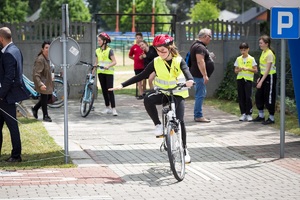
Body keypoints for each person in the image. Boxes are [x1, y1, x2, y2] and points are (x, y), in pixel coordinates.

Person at [109, 34, 194, 163]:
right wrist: (122, 85)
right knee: (147, 99)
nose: (161, 53)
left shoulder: (178, 60)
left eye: (163, 50)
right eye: (158, 51)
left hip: (178, 94)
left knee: (180, 121)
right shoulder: (156, 61)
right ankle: (158, 125)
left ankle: (184, 149)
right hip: (163, 93)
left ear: (170, 48)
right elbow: (142, 75)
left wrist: (190, 80)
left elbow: (186, 71)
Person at [0, 27, 29, 162]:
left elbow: (9, 78)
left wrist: (1, 95)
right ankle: (14, 154)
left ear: (1, 39)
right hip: (9, 96)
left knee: (12, 126)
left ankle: (16, 155)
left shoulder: (8, 54)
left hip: (6, 97)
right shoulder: (16, 50)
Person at [189, 28, 215, 123]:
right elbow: (200, 61)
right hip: (199, 75)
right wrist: (204, 75)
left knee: (200, 94)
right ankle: (198, 116)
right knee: (200, 95)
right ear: (205, 36)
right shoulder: (200, 47)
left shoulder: (197, 45)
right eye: (210, 36)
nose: (211, 38)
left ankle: (198, 114)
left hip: (197, 74)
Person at [252, 35, 277, 125]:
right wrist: (260, 77)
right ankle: (261, 115)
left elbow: (268, 69)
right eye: (259, 43)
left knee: (269, 97)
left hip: (270, 77)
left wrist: (261, 81)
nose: (260, 44)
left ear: (266, 44)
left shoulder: (269, 53)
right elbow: (263, 68)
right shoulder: (264, 52)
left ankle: (271, 118)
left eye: (261, 43)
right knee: (259, 95)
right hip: (264, 76)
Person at [95, 32, 118, 116]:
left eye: (100, 40)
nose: (98, 42)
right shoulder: (97, 50)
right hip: (100, 73)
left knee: (110, 90)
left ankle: (114, 109)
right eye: (98, 40)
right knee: (104, 91)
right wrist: (93, 69)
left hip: (109, 73)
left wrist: (108, 65)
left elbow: (114, 62)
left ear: (104, 41)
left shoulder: (109, 50)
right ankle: (107, 107)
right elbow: (96, 62)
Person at [234, 42, 258, 122]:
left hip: (248, 80)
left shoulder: (251, 59)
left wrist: (248, 69)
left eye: (244, 50)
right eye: (241, 50)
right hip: (240, 79)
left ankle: (249, 114)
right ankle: (243, 113)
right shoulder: (238, 59)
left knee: (248, 97)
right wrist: (239, 69)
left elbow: (255, 70)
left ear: (248, 49)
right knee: (241, 97)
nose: (243, 52)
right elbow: (235, 70)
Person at [31, 41, 53, 122]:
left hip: (47, 82)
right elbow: (36, 74)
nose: (48, 49)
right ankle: (45, 116)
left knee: (49, 97)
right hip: (42, 82)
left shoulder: (47, 58)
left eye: (49, 48)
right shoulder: (40, 59)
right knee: (44, 98)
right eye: (46, 48)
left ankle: (35, 109)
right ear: (42, 49)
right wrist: (40, 84)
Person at [128, 32, 145, 99]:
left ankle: (144, 92)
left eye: (139, 38)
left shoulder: (144, 46)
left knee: (144, 80)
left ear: (142, 38)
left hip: (144, 66)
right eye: (137, 38)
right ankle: (141, 94)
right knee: (139, 81)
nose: (138, 39)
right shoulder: (133, 47)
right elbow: (130, 55)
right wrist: (135, 59)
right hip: (137, 66)